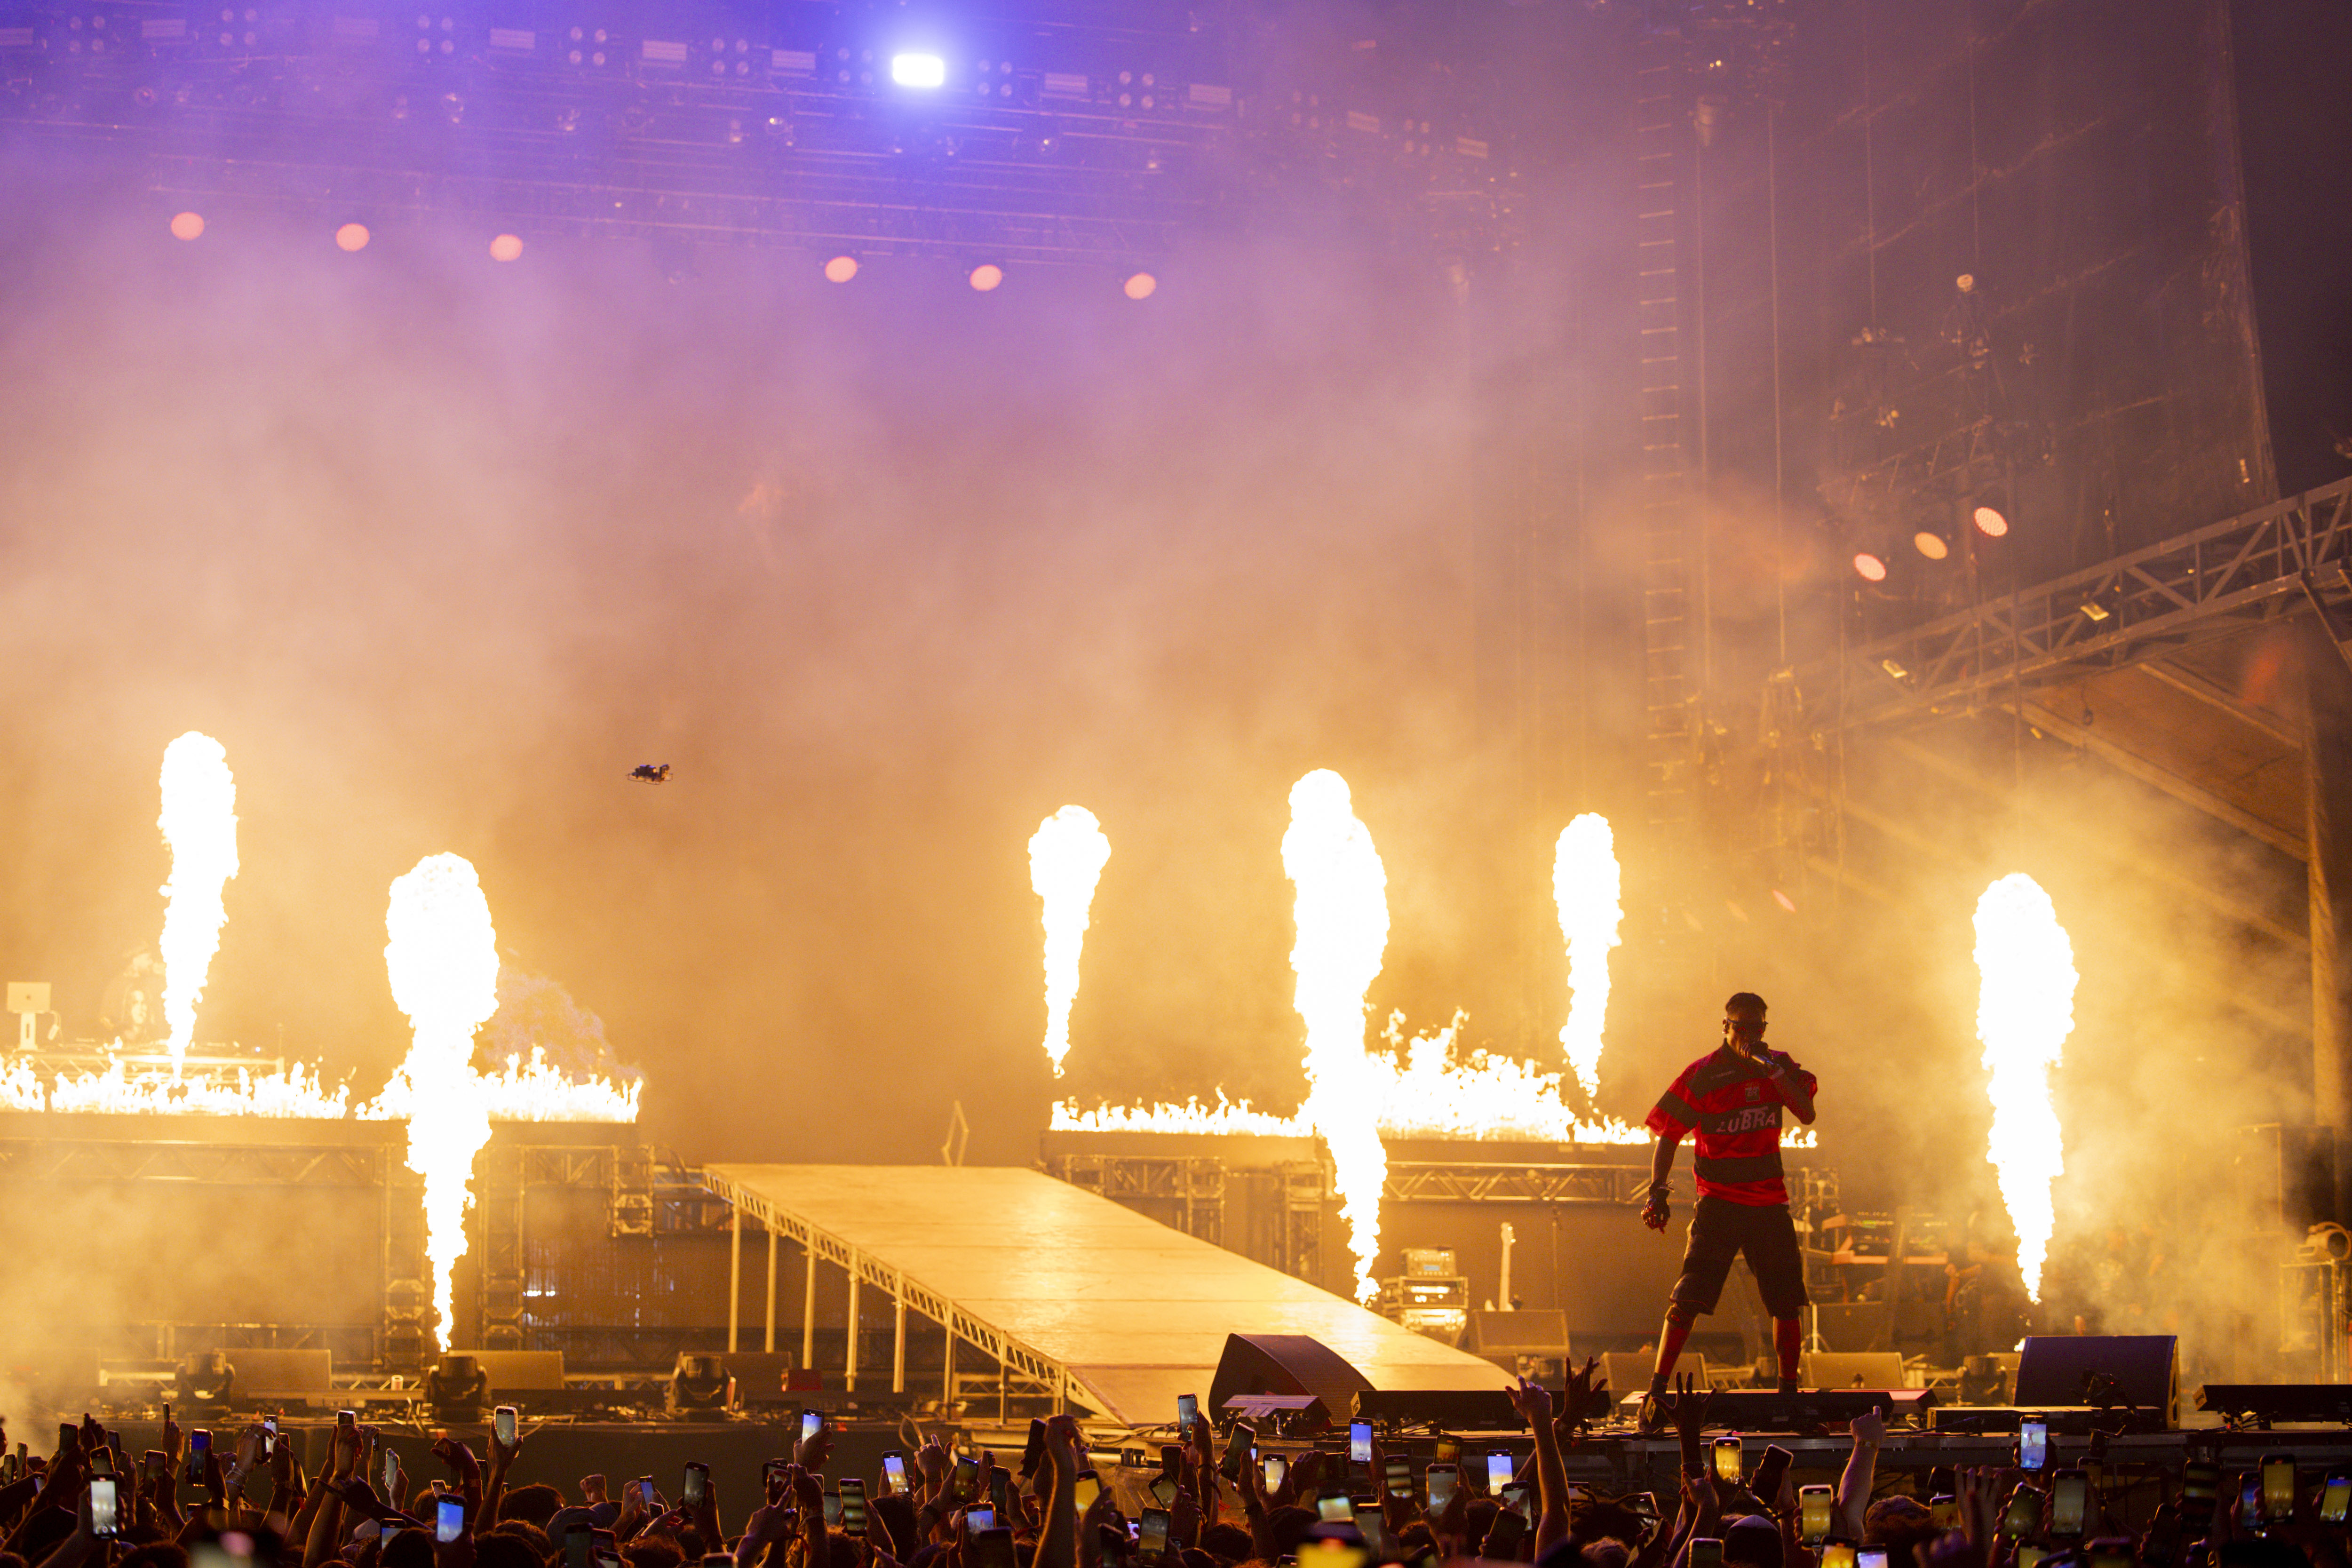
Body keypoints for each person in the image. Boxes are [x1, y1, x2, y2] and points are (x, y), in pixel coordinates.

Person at [1637, 991, 1818, 1420]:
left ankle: (1787, 1396)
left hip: (1769, 1203)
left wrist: (1773, 1072)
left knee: (1786, 1303)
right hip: (1718, 1205)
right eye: (1742, 1027)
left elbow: (1807, 1112)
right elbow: (1669, 1134)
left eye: (1758, 1028)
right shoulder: (1703, 1074)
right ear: (1726, 1026)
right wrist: (1657, 1190)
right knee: (1688, 1298)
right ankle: (1657, 1391)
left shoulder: (1780, 1067)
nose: (1750, 1036)